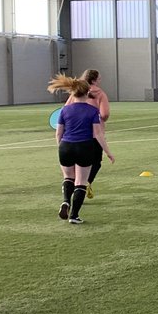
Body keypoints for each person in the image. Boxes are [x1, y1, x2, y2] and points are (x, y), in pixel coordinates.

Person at [49, 74, 115, 224]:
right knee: (81, 182)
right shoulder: (92, 111)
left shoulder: (64, 110)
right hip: (84, 147)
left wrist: (62, 146)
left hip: (65, 146)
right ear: (87, 93)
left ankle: (66, 201)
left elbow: (58, 132)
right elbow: (98, 134)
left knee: (68, 178)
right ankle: (74, 216)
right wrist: (108, 152)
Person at [65, 69, 110, 198]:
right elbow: (105, 114)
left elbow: (66, 109)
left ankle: (70, 192)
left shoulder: (76, 92)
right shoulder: (100, 93)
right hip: (94, 134)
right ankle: (85, 184)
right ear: (94, 79)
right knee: (96, 161)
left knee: (74, 165)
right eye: (99, 78)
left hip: (74, 134)